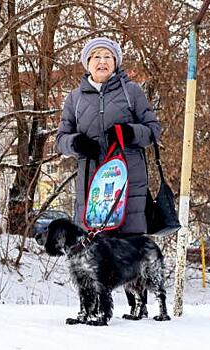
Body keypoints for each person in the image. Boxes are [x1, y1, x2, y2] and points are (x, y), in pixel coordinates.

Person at [56, 37, 162, 235]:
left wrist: (130, 132)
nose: (102, 61)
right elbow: (60, 140)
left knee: (127, 257)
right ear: (88, 63)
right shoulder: (74, 98)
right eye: (96, 56)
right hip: (91, 188)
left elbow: (154, 130)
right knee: (93, 257)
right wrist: (76, 143)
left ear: (115, 63)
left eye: (108, 56)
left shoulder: (132, 92)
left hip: (127, 187)